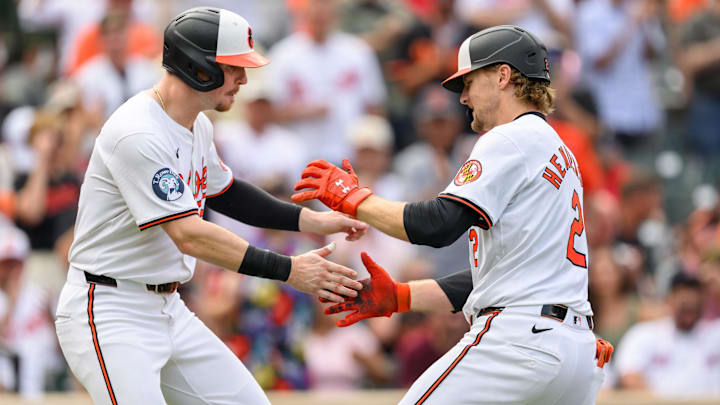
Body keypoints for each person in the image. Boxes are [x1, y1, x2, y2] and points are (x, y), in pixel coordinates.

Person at [54, 8, 367, 405]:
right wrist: (288, 270)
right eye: (235, 67)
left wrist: (316, 221)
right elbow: (189, 234)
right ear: (198, 67)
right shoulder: (137, 131)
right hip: (111, 309)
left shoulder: (196, 122)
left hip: (167, 306)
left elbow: (228, 192)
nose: (244, 79)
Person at [293, 25, 613, 404]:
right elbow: (496, 276)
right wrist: (401, 296)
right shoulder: (557, 149)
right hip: (575, 351)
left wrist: (355, 198)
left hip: (519, 340)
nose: (463, 97)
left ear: (502, 76)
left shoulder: (508, 138)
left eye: (468, 82)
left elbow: (438, 224)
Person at [614, 272, 720, 397]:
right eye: (684, 306)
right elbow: (629, 376)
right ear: (670, 300)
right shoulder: (645, 334)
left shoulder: (714, 334)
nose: (689, 315)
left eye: (695, 307)